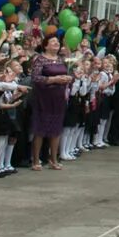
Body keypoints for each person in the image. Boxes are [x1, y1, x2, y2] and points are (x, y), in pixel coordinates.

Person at [28, 36, 70, 169]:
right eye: (53, 42)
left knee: (56, 128)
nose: (56, 43)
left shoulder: (60, 59)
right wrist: (54, 79)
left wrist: (68, 78)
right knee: (40, 128)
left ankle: (53, 159)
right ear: (46, 46)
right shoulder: (40, 59)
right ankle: (36, 160)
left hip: (58, 97)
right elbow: (35, 78)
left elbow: (68, 73)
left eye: (57, 42)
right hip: (43, 97)